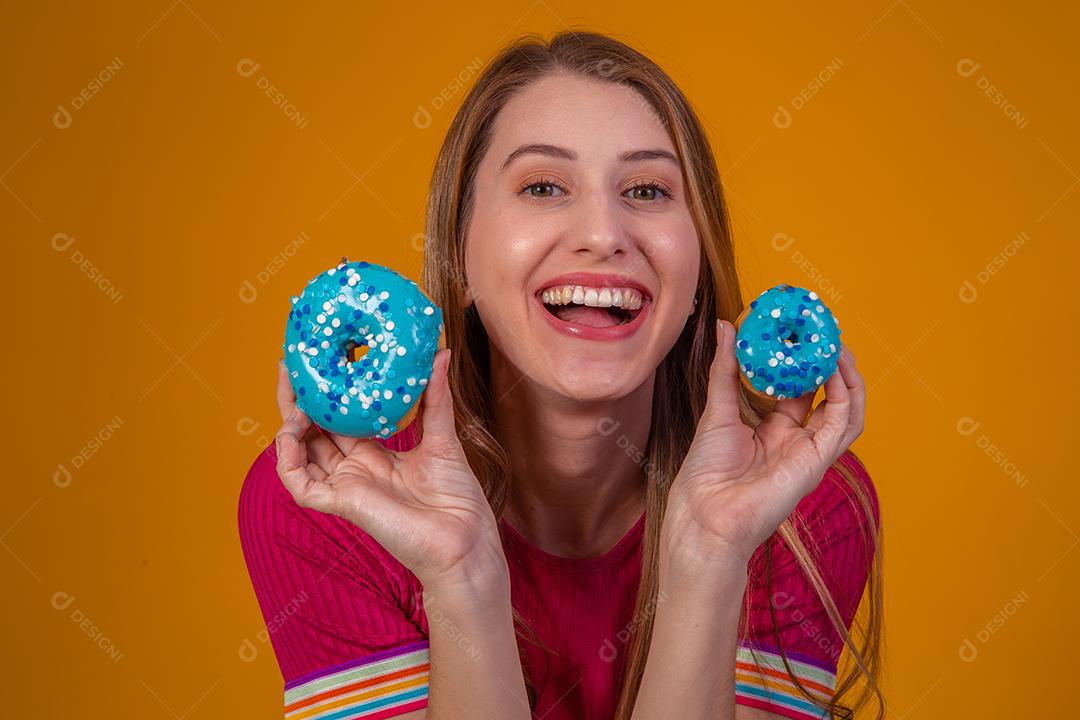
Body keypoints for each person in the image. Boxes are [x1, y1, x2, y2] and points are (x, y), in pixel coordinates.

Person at [238, 29, 883, 720]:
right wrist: (461, 575)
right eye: (543, 186)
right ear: (458, 257)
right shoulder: (338, 503)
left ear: (697, 267)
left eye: (646, 189)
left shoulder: (796, 510)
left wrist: (712, 554)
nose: (603, 233)